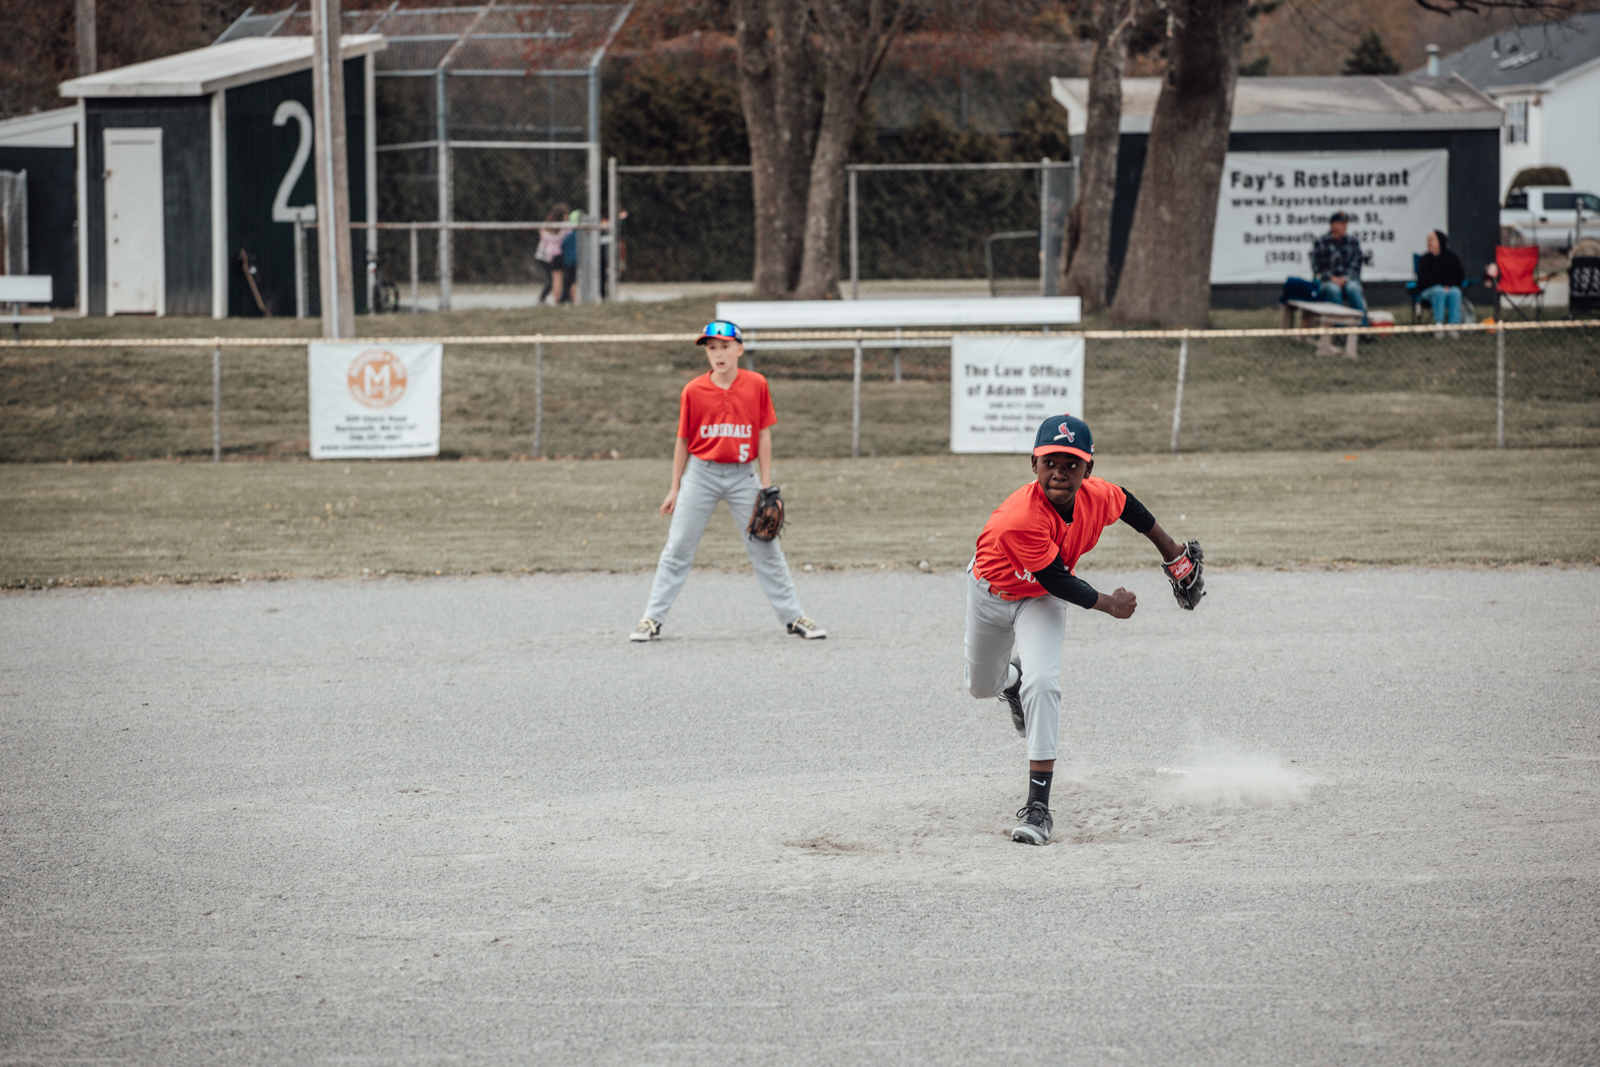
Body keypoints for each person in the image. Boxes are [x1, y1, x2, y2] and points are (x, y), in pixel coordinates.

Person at [964, 413, 1203, 845]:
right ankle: (1010, 684)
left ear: (1088, 470)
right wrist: (1109, 604)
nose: (1060, 472)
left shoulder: (1097, 496)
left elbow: (1129, 505)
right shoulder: (1020, 517)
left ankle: (1038, 808)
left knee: (1045, 684)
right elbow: (1057, 577)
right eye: (1050, 461)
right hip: (991, 593)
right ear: (1033, 465)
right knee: (982, 686)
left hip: (1041, 601)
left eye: (1072, 464)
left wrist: (1172, 552)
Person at [630, 320, 825, 643]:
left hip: (742, 475)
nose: (718, 354)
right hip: (701, 474)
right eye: (711, 348)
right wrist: (675, 487)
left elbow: (763, 434)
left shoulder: (756, 384)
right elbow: (682, 440)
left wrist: (766, 483)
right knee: (678, 546)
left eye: (724, 346)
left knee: (766, 545)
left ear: (739, 349)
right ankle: (651, 618)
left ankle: (793, 617)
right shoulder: (693, 390)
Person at [1311, 211, 1369, 326]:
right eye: (1341, 223)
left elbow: (1356, 264)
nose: (1345, 226)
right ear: (1332, 225)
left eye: (1346, 223)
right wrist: (1332, 278)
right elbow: (1316, 266)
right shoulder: (1321, 241)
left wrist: (1345, 278)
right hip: (1328, 281)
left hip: (1348, 280)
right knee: (1334, 290)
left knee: (1353, 288)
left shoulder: (1352, 241)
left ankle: (1364, 328)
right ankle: (1339, 330)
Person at [1416, 229, 1466, 337]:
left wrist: (1448, 285)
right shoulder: (1424, 259)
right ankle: (1439, 325)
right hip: (1429, 291)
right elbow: (1424, 279)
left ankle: (1453, 326)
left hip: (1449, 289)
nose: (1429, 243)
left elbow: (1459, 275)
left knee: (1455, 292)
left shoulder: (1452, 257)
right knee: (1439, 291)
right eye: (1428, 240)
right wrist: (1441, 287)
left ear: (1440, 241)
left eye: (1432, 240)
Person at [535, 203, 569, 305]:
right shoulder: (550, 227)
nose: (567, 216)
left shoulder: (559, 227)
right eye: (566, 214)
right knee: (553, 279)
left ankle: (546, 299)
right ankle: (542, 299)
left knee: (556, 279)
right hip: (544, 256)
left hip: (551, 256)